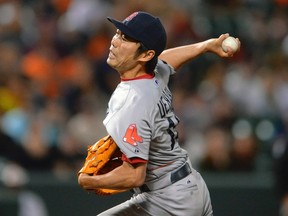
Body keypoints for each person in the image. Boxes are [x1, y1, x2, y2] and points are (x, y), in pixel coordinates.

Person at [78, 11, 240, 216]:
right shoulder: (152, 74)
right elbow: (166, 59)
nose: (115, 41)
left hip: (169, 200)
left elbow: (135, 175)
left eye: (126, 38)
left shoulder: (131, 101)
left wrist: (90, 181)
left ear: (146, 55)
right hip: (188, 187)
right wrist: (205, 46)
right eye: (118, 33)